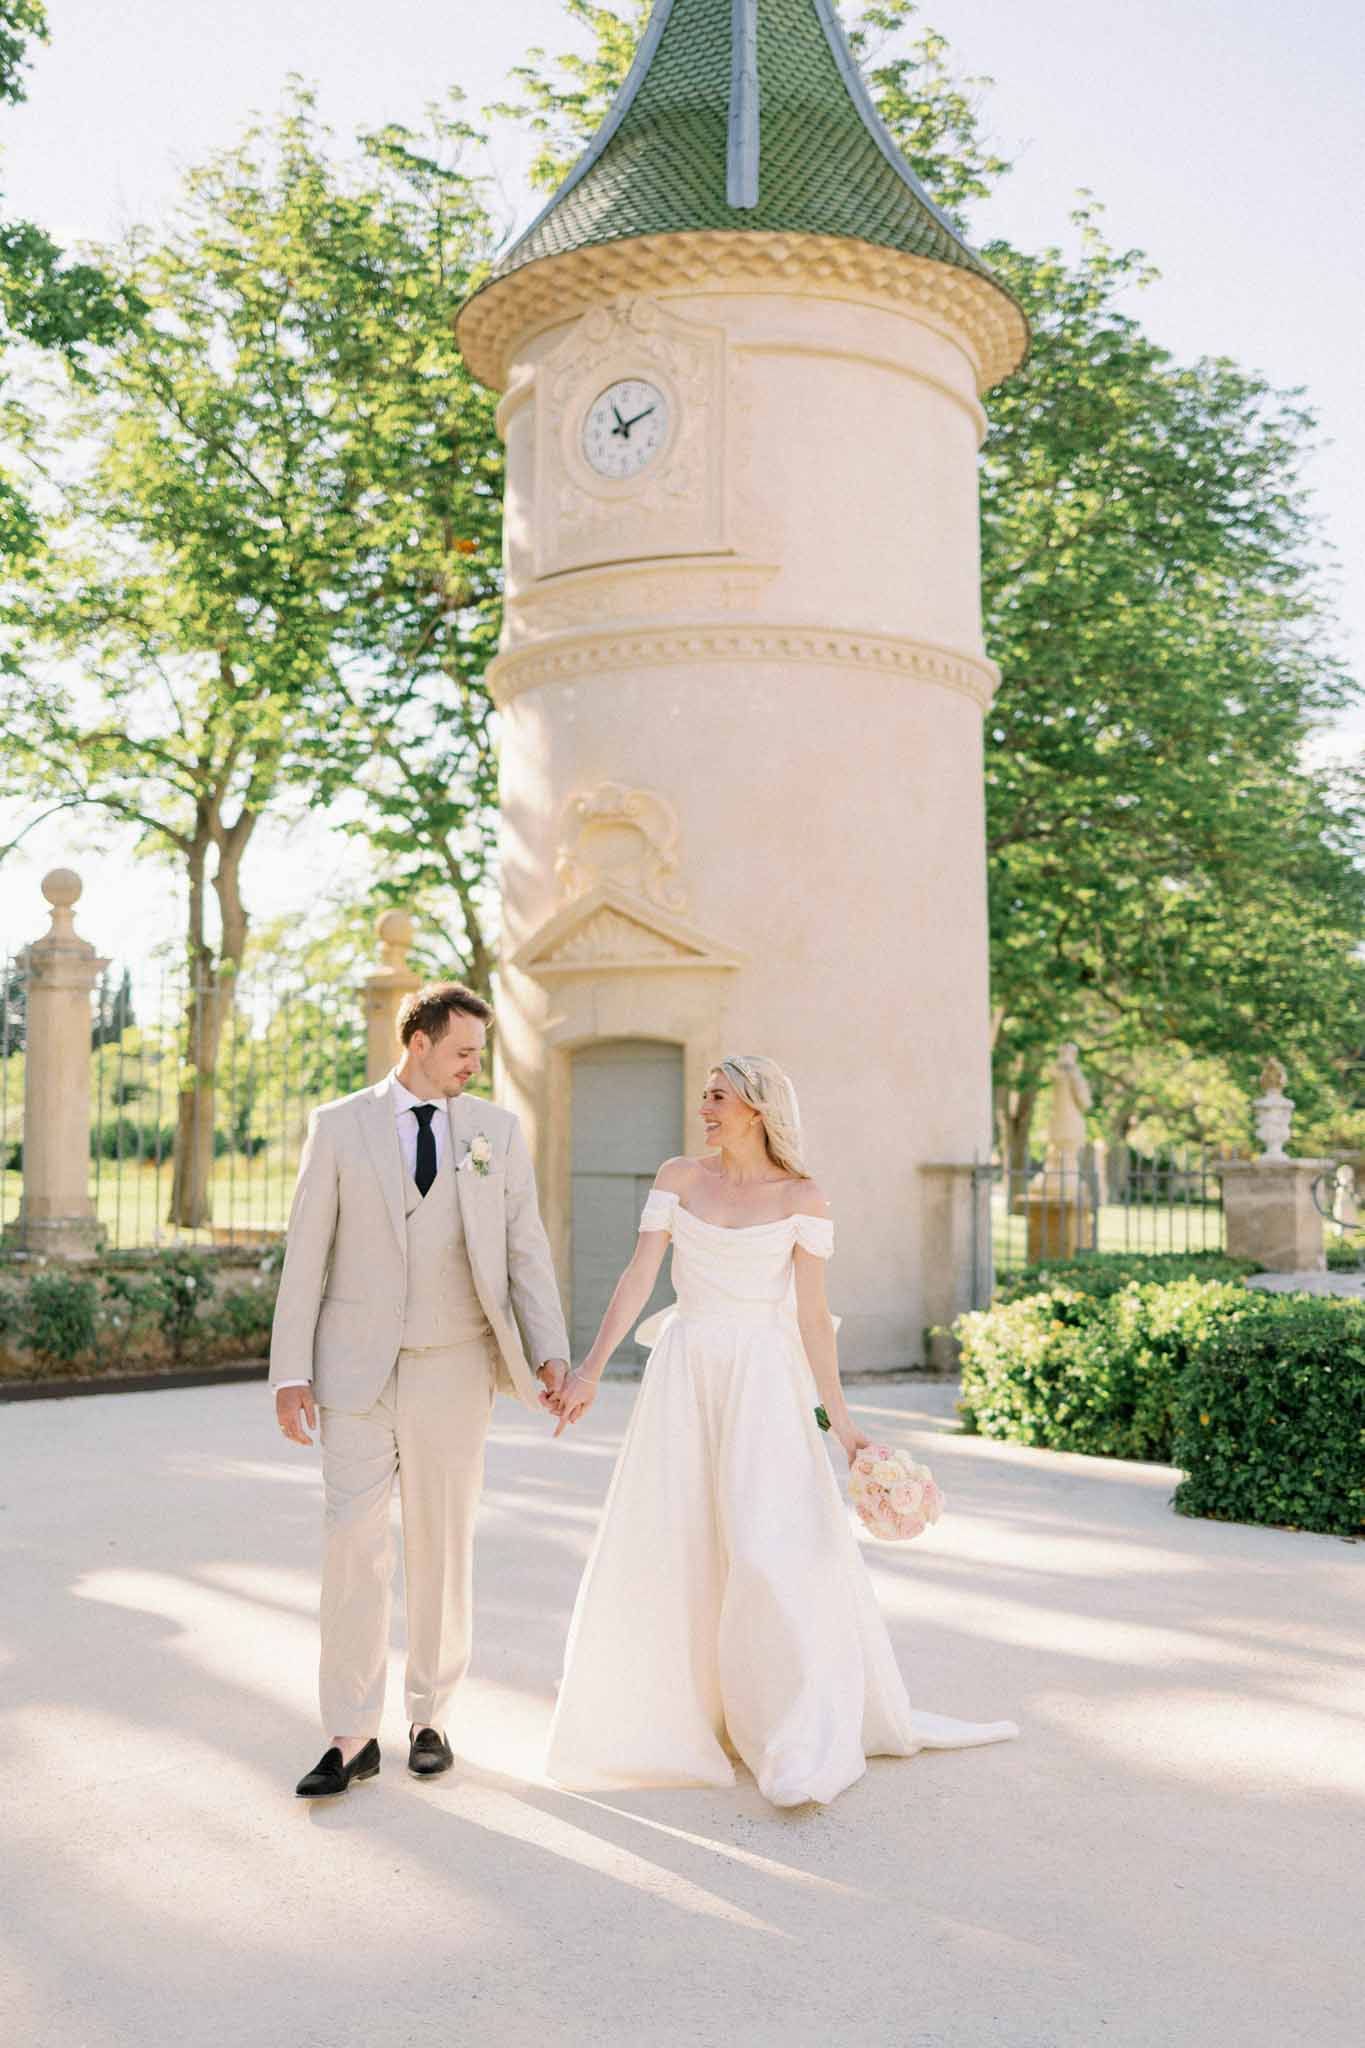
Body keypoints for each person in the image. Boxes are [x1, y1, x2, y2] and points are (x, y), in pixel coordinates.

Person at [543, 1054, 1017, 1807]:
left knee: (770, 1550)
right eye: (705, 1095)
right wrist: (592, 1370)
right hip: (685, 1370)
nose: (704, 1107)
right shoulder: (677, 1178)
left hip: (766, 1382)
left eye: (718, 1097)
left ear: (757, 1109)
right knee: (680, 1542)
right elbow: (638, 1278)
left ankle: (790, 1731)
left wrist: (842, 1425)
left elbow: (809, 1320)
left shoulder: (804, 1197)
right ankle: (684, 1718)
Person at [270, 982, 569, 1797]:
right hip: (354, 1373)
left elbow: (525, 1252)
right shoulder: (338, 1126)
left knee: (442, 1545)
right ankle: (349, 1732)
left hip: (455, 1364)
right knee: (352, 1543)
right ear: (419, 1043)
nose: (476, 1065)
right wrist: (290, 1372)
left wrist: (549, 1355)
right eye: (464, 1051)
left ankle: (430, 1715)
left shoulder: (495, 1133)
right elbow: (306, 1255)